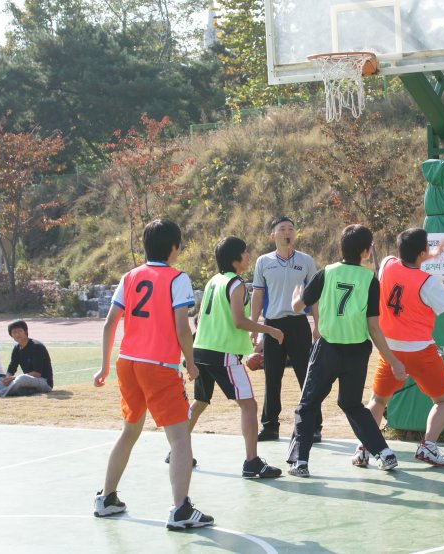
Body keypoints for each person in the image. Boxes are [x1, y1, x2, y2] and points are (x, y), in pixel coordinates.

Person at [93, 218, 213, 530]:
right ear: (175, 247)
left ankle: (106, 498)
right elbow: (181, 327)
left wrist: (105, 366)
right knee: (180, 439)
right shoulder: (178, 279)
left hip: (128, 363)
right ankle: (180, 509)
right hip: (158, 366)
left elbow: (109, 325)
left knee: (129, 432)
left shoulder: (130, 276)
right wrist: (190, 361)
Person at [356, 228, 444, 468]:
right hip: (419, 350)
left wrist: (429, 255)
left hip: (391, 349)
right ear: (421, 253)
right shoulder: (428, 283)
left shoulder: (387, 265)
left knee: (377, 401)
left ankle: (364, 448)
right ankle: (428, 446)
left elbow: (408, 263)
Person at [286, 224, 408, 477]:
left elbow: (298, 307)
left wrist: (295, 296)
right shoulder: (370, 280)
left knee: (307, 405)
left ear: (341, 247)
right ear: (365, 251)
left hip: (328, 349)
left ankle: (300, 462)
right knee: (352, 404)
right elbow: (374, 327)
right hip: (357, 351)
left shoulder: (327, 272)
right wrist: (393, 360)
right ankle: (384, 453)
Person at [181, 236, 283, 479]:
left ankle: (178, 450)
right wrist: (269, 330)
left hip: (202, 349)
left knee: (201, 402)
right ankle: (252, 463)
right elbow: (238, 320)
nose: (248, 256)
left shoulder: (213, 281)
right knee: (249, 404)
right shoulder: (236, 283)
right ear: (235, 259)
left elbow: (217, 318)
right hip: (222, 354)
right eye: (245, 252)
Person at [250, 216, 321, 442]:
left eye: (291, 228)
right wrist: (255, 325)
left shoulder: (306, 261)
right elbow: (258, 294)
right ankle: (270, 426)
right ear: (273, 235)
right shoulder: (263, 261)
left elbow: (315, 296)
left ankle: (313, 425)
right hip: (272, 325)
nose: (287, 232)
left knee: (306, 375)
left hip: (299, 323)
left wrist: (317, 325)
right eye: (282, 229)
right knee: (272, 376)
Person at [0, 320, 54, 398]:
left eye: (20, 331)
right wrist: (7, 378)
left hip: (44, 382)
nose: (17, 334)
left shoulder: (36, 346)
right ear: (11, 335)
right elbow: (12, 367)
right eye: (14, 332)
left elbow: (37, 374)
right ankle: (24, 390)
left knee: (22, 378)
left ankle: (0, 393)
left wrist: (14, 378)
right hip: (28, 382)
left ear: (25, 331)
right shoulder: (17, 348)